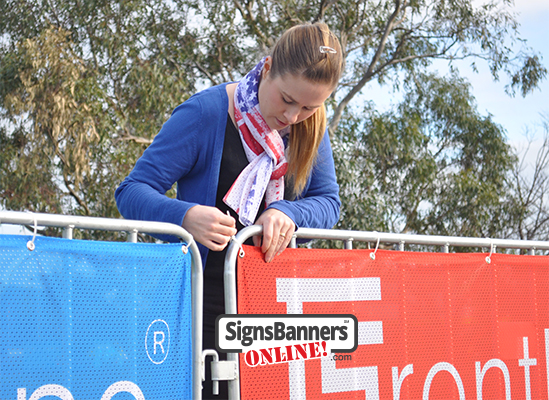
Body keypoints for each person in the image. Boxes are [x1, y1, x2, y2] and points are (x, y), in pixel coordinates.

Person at [115, 21, 343, 399]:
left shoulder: (312, 127)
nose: (292, 117)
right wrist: (185, 218)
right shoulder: (205, 113)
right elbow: (131, 191)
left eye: (309, 106)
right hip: (204, 314)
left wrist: (289, 212)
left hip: (277, 313)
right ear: (267, 68)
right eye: (286, 99)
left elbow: (328, 203)